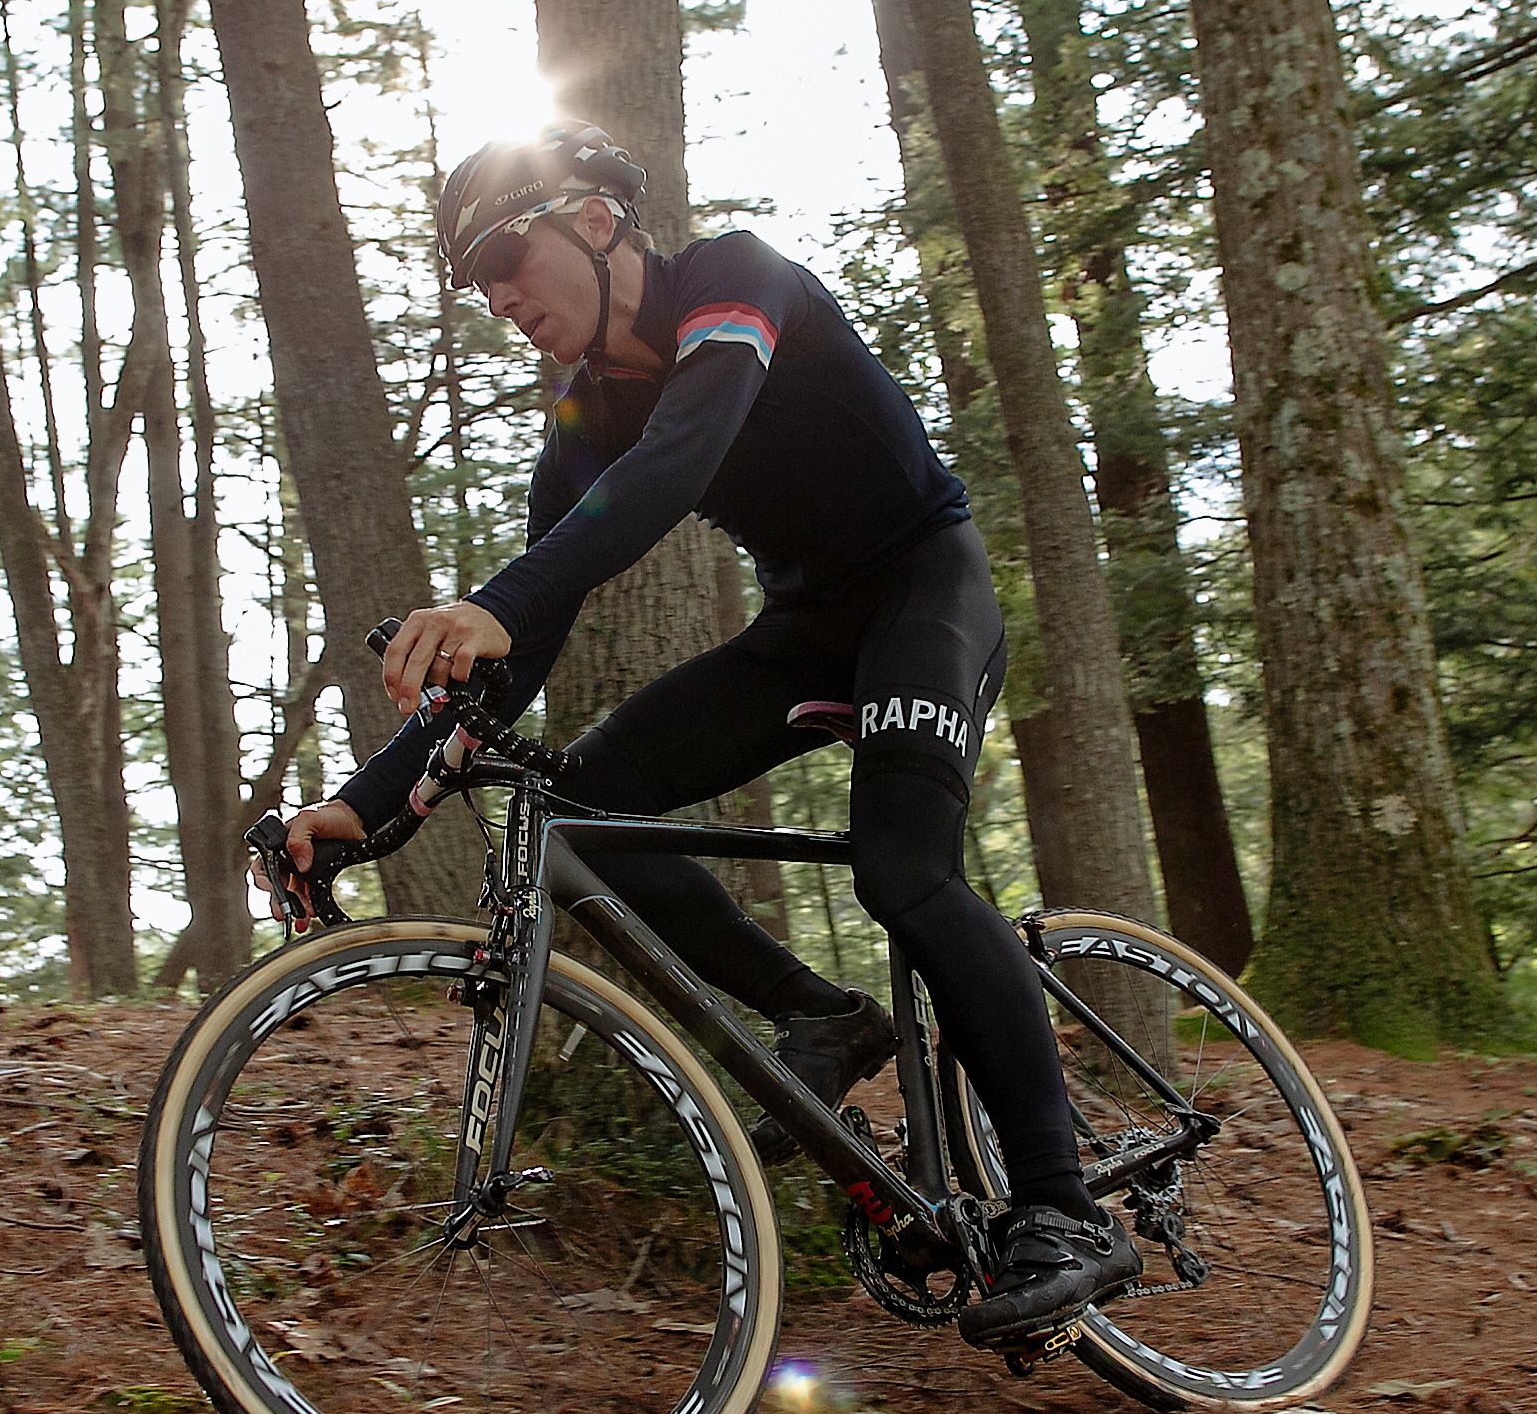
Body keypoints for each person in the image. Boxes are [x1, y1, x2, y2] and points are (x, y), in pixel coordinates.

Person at [267, 121, 1139, 1348]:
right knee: (580, 808)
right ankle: (823, 1017)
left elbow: (680, 460)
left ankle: (1060, 1209)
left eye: (508, 255)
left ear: (597, 220)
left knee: (903, 866)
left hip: (918, 591)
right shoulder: (580, 425)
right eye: (477, 283)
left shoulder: (735, 278)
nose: (500, 295)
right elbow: (520, 654)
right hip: (803, 630)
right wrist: (358, 812)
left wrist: (493, 603)